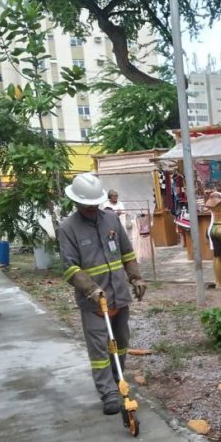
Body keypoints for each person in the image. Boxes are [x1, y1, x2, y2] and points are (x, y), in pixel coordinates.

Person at [58, 173, 147, 416]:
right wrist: (91, 289)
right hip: (94, 302)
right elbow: (70, 268)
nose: (91, 208)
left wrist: (136, 277)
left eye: (94, 204)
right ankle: (107, 393)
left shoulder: (111, 220)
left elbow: (127, 254)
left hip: (119, 295)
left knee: (120, 342)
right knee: (99, 351)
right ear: (76, 202)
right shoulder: (67, 229)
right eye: (87, 205)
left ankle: (119, 381)